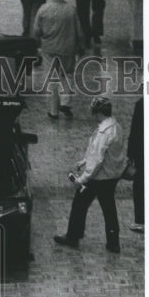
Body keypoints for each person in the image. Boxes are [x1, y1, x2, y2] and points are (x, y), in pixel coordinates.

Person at [54, 95, 126, 254]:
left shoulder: (103, 132)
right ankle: (113, 243)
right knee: (109, 209)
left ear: (98, 113)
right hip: (111, 176)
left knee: (79, 203)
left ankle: (73, 236)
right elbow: (103, 154)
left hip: (98, 178)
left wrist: (82, 179)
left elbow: (98, 160)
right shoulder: (116, 127)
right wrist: (84, 160)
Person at [33, 0, 82, 119]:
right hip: (68, 49)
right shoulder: (71, 10)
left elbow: (36, 31)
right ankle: (65, 102)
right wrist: (81, 46)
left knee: (51, 78)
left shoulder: (43, 9)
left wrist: (38, 42)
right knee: (68, 75)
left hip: (49, 49)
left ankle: (53, 111)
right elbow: (79, 32)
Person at [127, 97, 144, 232]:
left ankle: (141, 220)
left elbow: (135, 131)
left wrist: (131, 154)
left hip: (142, 153)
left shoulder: (141, 104)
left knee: (140, 185)